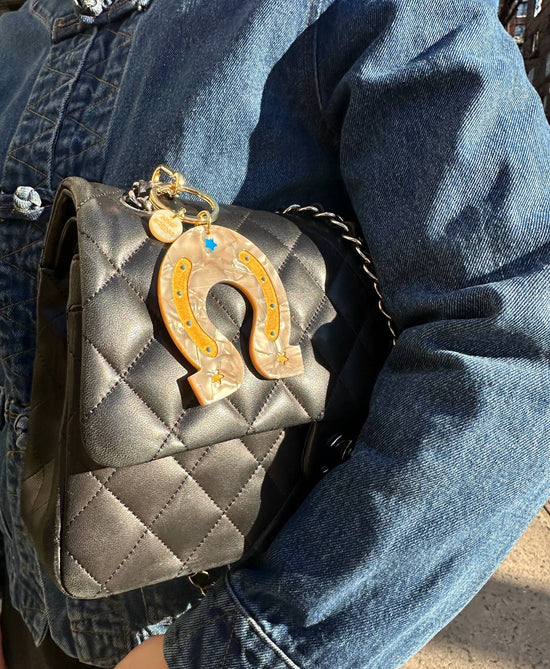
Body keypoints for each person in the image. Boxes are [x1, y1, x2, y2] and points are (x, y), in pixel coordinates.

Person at [0, 0, 549, 667]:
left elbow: (514, 341)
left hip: (196, 627)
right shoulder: (17, 36)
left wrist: (245, 645)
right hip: (30, 617)